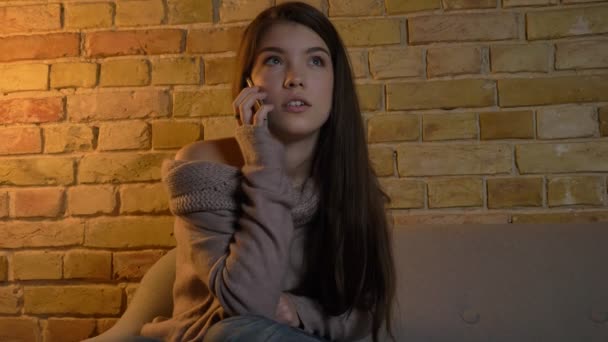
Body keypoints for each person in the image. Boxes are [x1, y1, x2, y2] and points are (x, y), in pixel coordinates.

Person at [138, 2, 396, 341]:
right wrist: (263, 158)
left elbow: (364, 314)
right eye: (274, 60)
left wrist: (298, 310)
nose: (295, 79)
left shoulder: (351, 181)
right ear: (249, 83)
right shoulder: (203, 167)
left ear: (336, 85)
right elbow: (250, 305)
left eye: (315, 61)